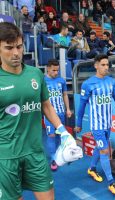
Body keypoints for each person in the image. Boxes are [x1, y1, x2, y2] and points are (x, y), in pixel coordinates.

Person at [0, 22, 73, 200]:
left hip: (35, 154)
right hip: (7, 157)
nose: (16, 53)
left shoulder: (36, 74)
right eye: (9, 48)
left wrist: (63, 132)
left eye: (19, 46)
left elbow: (46, 105)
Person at [74, 54, 115, 195]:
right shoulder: (88, 84)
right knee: (105, 151)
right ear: (96, 65)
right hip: (97, 126)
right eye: (103, 65)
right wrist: (79, 124)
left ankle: (92, 168)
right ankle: (111, 183)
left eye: (107, 65)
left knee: (101, 147)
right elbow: (81, 106)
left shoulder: (111, 82)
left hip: (108, 123)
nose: (106, 67)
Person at [44, 59, 72, 171]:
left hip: (61, 113)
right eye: (54, 70)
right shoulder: (43, 81)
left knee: (61, 135)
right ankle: (53, 160)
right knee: (51, 135)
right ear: (48, 69)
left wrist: (68, 109)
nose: (56, 72)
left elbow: (65, 95)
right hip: (49, 114)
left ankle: (60, 155)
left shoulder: (61, 81)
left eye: (57, 70)